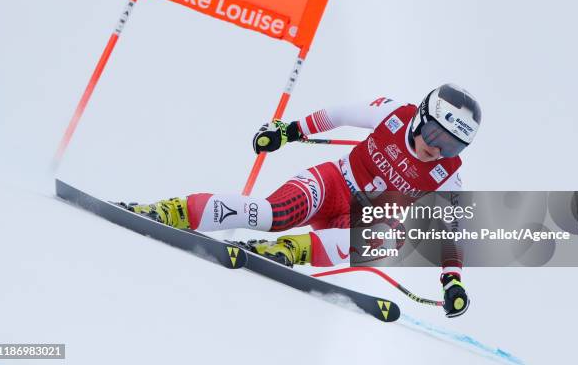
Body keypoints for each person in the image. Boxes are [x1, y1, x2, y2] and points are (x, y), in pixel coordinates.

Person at [122, 83, 481, 318]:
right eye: (435, 134)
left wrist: (452, 280)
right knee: (270, 213)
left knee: (391, 237)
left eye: (452, 145)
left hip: (355, 223)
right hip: (333, 184)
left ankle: (290, 250)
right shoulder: (393, 114)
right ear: (421, 117)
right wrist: (289, 132)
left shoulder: (449, 174)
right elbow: (339, 115)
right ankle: (172, 211)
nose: (437, 149)